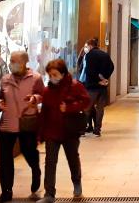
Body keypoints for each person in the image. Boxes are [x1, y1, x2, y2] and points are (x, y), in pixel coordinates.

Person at [38, 59, 91, 202]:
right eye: (50, 75)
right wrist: (40, 135)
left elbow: (86, 101)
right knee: (50, 162)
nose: (52, 78)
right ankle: (49, 194)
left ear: (62, 73)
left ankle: (77, 184)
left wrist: (69, 107)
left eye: (55, 74)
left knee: (72, 159)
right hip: (52, 132)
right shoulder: (47, 91)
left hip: (70, 131)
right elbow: (44, 113)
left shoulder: (75, 86)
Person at [0, 50, 45, 203]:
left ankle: (35, 170)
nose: (11, 64)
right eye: (11, 60)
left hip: (27, 122)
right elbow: (1, 97)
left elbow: (42, 95)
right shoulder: (5, 79)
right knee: (5, 159)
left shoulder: (35, 78)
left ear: (24, 63)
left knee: (28, 151)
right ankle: (6, 191)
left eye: (15, 61)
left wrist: (34, 98)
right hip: (7, 123)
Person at [77, 38, 114, 136]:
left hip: (92, 86)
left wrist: (98, 80)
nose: (86, 48)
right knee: (100, 109)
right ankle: (97, 130)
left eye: (86, 46)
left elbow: (89, 71)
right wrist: (104, 78)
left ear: (90, 45)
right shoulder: (105, 54)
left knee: (87, 108)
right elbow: (112, 67)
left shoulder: (89, 55)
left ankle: (82, 129)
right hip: (103, 87)